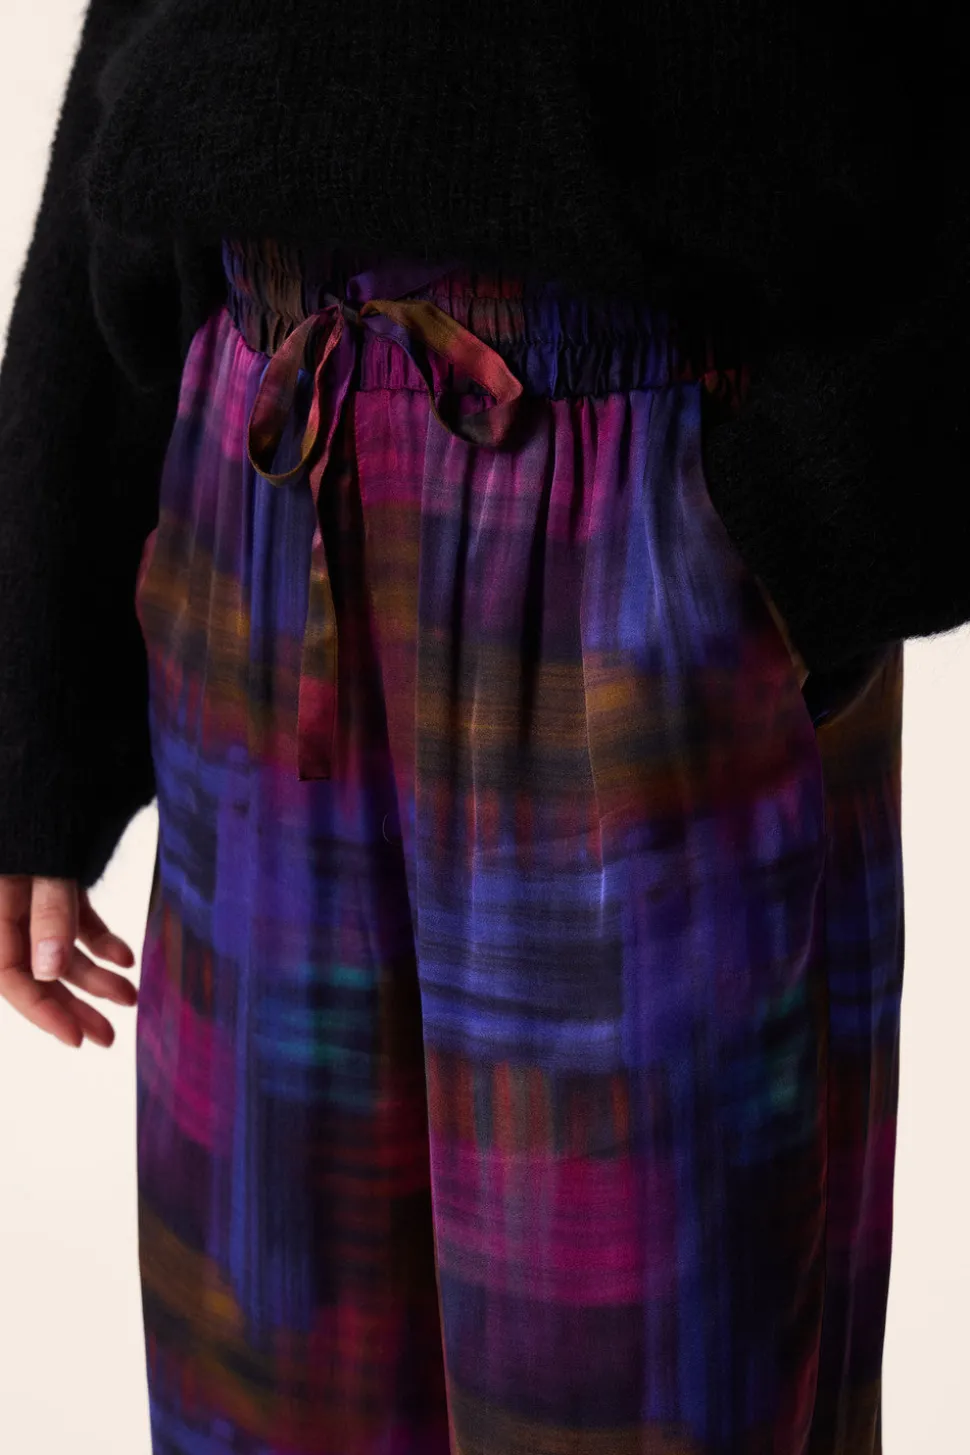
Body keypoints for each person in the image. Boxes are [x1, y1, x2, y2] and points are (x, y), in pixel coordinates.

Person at [0, 3, 965, 1452]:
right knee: (269, 1383)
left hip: (642, 506)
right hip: (260, 470)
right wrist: (35, 703)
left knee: (641, 1390)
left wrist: (817, 516)